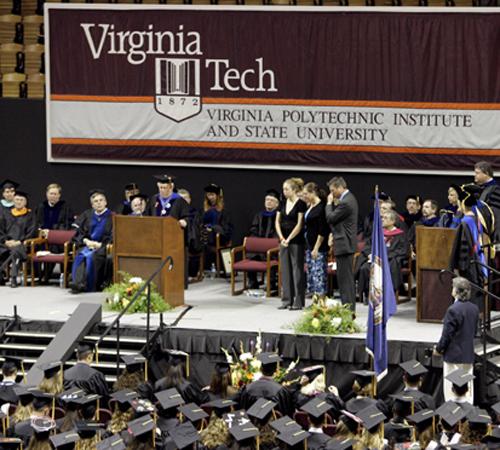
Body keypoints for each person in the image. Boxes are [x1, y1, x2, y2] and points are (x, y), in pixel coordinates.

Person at [433, 277, 479, 403]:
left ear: (456, 291)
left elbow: (447, 335)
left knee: (451, 391)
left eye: (453, 287)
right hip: (468, 355)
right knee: (467, 389)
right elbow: (475, 332)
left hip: (454, 356)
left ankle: (452, 420)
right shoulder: (474, 309)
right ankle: (468, 418)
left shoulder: (453, 310)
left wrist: (438, 349)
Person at [355, 210, 408, 302]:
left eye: (385, 218)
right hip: (374, 258)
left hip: (389, 260)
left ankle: (387, 295)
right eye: (382, 218)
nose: (382, 220)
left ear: (393, 221)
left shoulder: (400, 234)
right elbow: (367, 245)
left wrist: (384, 256)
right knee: (364, 268)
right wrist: (369, 254)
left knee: (386, 268)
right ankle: (368, 294)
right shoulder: (377, 233)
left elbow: (402, 250)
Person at [325, 176, 358, 312]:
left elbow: (330, 218)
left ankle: (348, 309)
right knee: (344, 279)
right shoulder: (347, 199)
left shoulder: (347, 202)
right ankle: (347, 307)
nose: (332, 194)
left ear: (340, 187)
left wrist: (328, 203)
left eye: (333, 190)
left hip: (345, 244)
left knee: (345, 280)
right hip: (344, 243)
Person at [70, 189, 113, 293]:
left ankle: (87, 284)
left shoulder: (113, 216)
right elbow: (78, 232)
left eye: (101, 200)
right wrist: (86, 241)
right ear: (92, 205)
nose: (98, 203)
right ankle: (77, 283)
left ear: (105, 202)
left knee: (92, 257)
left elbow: (114, 235)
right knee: (81, 255)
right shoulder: (87, 215)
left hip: (102, 247)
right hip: (88, 245)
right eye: (95, 201)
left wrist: (100, 245)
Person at [275, 177, 307, 310]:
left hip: (296, 241)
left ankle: (298, 301)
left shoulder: (300, 204)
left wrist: (289, 239)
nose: (284, 191)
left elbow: (300, 224)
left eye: (286, 189)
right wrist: (282, 238)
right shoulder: (282, 203)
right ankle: (286, 299)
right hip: (283, 241)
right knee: (285, 270)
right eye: (283, 189)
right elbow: (277, 221)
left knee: (297, 271)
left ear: (294, 190)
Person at [239, 352, 294, 417]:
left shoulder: (248, 389)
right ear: (276, 371)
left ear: (260, 369)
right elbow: (287, 414)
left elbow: (242, 411)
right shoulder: (281, 391)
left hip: (250, 426)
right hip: (274, 426)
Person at [0, 191, 36, 287]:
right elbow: (1, 230)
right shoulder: (6, 214)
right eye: (16, 199)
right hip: (7, 243)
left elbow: (32, 232)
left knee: (15, 252)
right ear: (13, 200)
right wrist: (5, 241)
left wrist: (19, 241)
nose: (18, 202)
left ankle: (13, 278)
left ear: (25, 202)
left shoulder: (30, 215)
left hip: (22, 244)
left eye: (21, 200)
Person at [247, 188, 280, 289]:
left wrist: (269, 243)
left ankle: (272, 283)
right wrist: (258, 243)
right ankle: (253, 281)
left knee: (273, 255)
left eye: (271, 200)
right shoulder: (259, 215)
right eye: (267, 200)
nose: (268, 202)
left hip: (273, 248)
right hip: (259, 249)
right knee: (251, 255)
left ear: (277, 204)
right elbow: (253, 229)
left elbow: (278, 233)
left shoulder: (279, 216)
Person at [303, 182, 329, 297]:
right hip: (309, 245)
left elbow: (322, 230)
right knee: (311, 273)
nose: (304, 197)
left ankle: (320, 300)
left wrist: (316, 248)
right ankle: (314, 299)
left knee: (319, 274)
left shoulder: (321, 208)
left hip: (318, 247)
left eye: (306, 194)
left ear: (313, 193)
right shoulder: (310, 206)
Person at [201, 183, 233, 272]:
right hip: (207, 236)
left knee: (212, 234)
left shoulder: (224, 210)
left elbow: (226, 227)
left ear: (217, 196)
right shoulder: (205, 209)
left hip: (220, 237)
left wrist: (212, 228)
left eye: (212, 195)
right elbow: (201, 222)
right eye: (208, 195)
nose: (210, 197)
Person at [474, 160, 500, 241]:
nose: (475, 175)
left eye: (477, 173)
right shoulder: (480, 189)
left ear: (486, 173)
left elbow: (496, 214)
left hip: (491, 233)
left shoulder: (495, 189)